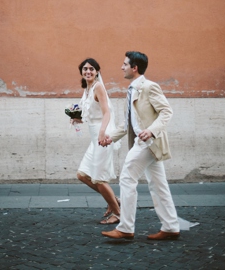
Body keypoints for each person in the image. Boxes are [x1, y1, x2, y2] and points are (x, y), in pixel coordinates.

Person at [100, 51, 180, 240]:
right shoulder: (131, 89)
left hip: (148, 142)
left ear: (134, 68)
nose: (122, 67)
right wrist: (111, 137)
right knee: (158, 184)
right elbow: (129, 123)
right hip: (145, 142)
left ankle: (126, 228)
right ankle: (170, 226)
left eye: (125, 64)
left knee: (127, 177)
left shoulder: (149, 87)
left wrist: (151, 131)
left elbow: (166, 111)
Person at [70, 58, 122, 224]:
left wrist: (102, 132)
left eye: (91, 69)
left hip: (103, 135)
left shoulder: (98, 86)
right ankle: (114, 199)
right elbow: (90, 115)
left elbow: (106, 113)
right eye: (85, 69)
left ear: (97, 71)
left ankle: (118, 214)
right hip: (94, 137)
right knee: (82, 174)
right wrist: (76, 119)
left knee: (99, 178)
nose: (88, 71)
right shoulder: (87, 89)